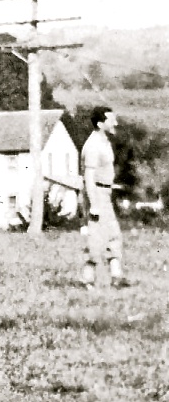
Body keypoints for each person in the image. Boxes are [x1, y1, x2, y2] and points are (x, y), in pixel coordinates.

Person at [79, 107, 127, 289]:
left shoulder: (104, 142)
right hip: (96, 195)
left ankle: (117, 278)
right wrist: (93, 205)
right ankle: (88, 281)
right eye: (111, 120)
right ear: (100, 124)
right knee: (95, 241)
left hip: (105, 194)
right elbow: (89, 177)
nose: (115, 123)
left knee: (113, 236)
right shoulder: (92, 146)